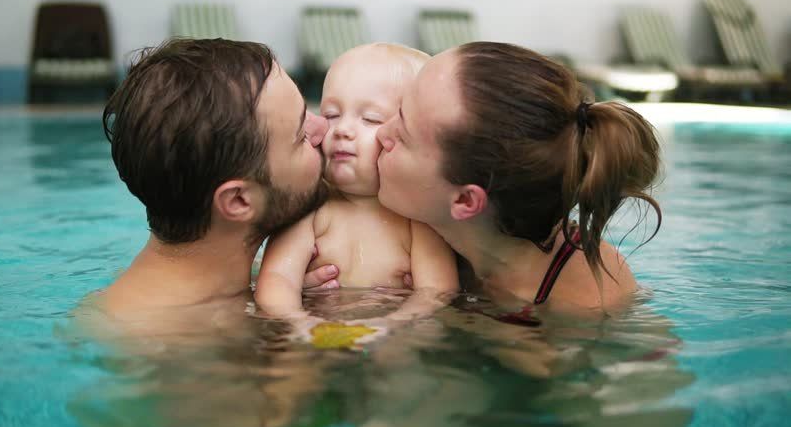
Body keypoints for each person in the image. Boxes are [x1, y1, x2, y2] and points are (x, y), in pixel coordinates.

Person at [376, 41, 661, 315]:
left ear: (465, 200)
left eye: (401, 136)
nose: (380, 134)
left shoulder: (590, 303)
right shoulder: (413, 228)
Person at [89, 38, 339, 325]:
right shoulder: (178, 341)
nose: (325, 127)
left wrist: (284, 283)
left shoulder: (217, 293)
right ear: (238, 201)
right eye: (301, 136)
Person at [255, 43, 458, 322]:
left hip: (392, 337)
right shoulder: (312, 207)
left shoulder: (416, 218)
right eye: (331, 115)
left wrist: (391, 324)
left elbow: (437, 290)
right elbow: (277, 280)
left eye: (370, 118)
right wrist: (299, 323)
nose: (343, 130)